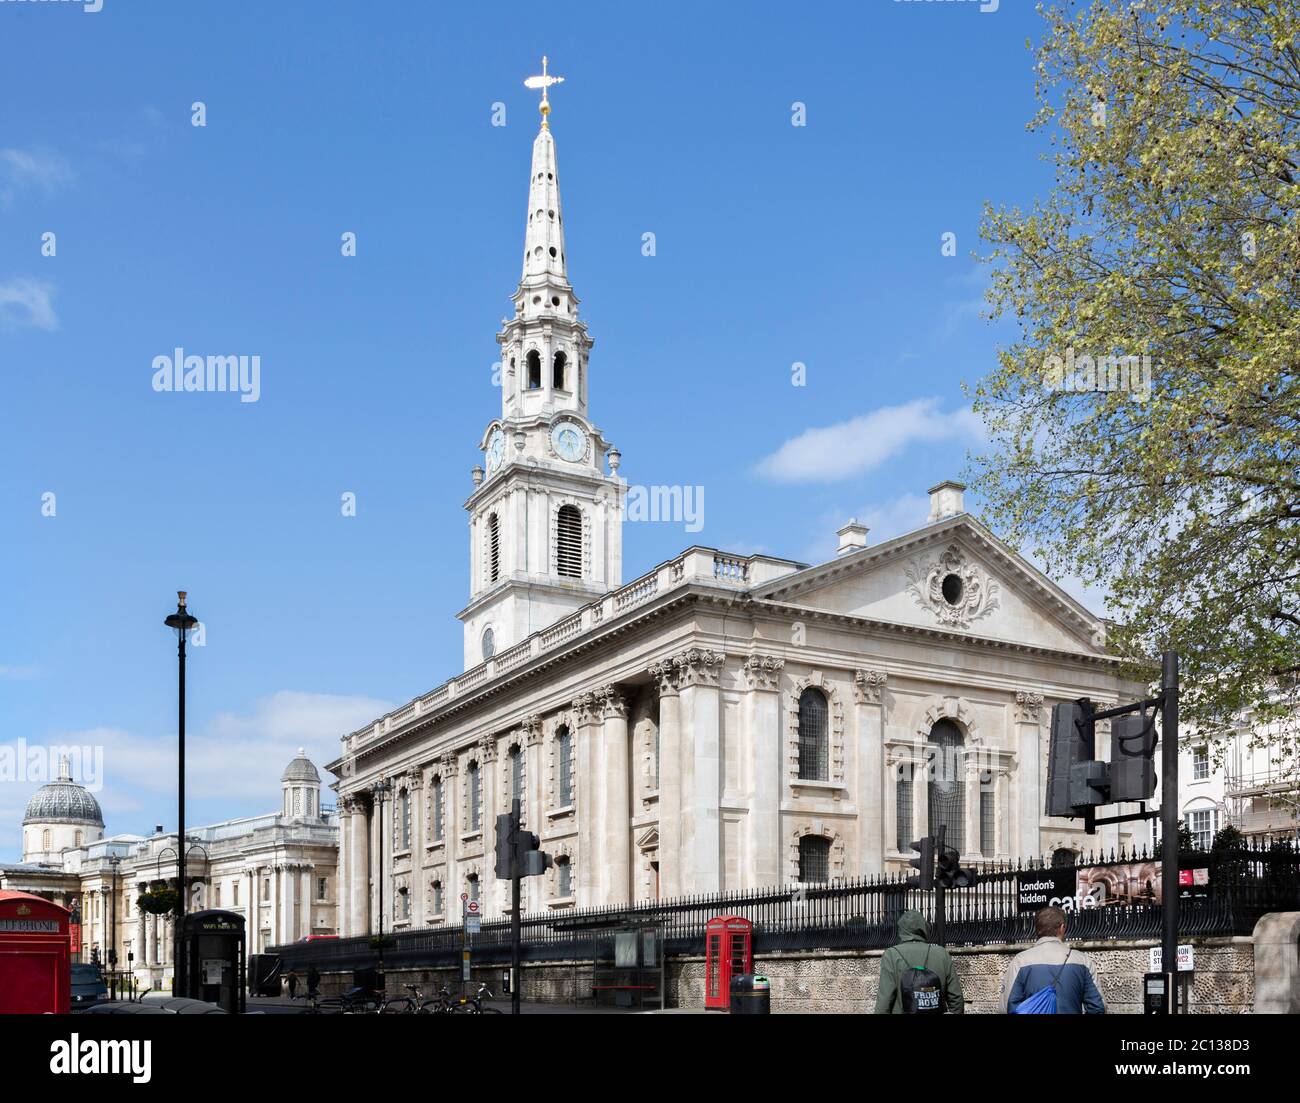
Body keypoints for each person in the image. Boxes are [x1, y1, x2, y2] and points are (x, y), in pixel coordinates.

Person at [1001, 905, 1105, 1014]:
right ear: (1062, 927)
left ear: (1036, 929)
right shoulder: (1083, 961)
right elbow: (1098, 1007)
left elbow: (1006, 1007)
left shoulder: (1020, 961)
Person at [874, 909, 964, 1014]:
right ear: (924, 928)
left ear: (901, 930)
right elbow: (957, 1000)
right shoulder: (942, 954)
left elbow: (884, 1002)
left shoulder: (891, 955)